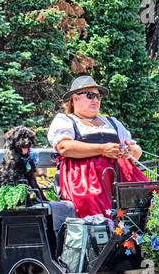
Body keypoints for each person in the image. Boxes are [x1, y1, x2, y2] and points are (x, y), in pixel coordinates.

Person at [49, 75, 144, 218]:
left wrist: (130, 151)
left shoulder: (112, 122)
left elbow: (137, 152)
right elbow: (64, 147)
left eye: (98, 96)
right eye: (90, 95)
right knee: (91, 200)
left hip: (120, 177)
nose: (95, 100)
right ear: (75, 98)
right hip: (85, 180)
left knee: (147, 194)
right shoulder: (66, 121)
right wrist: (101, 149)